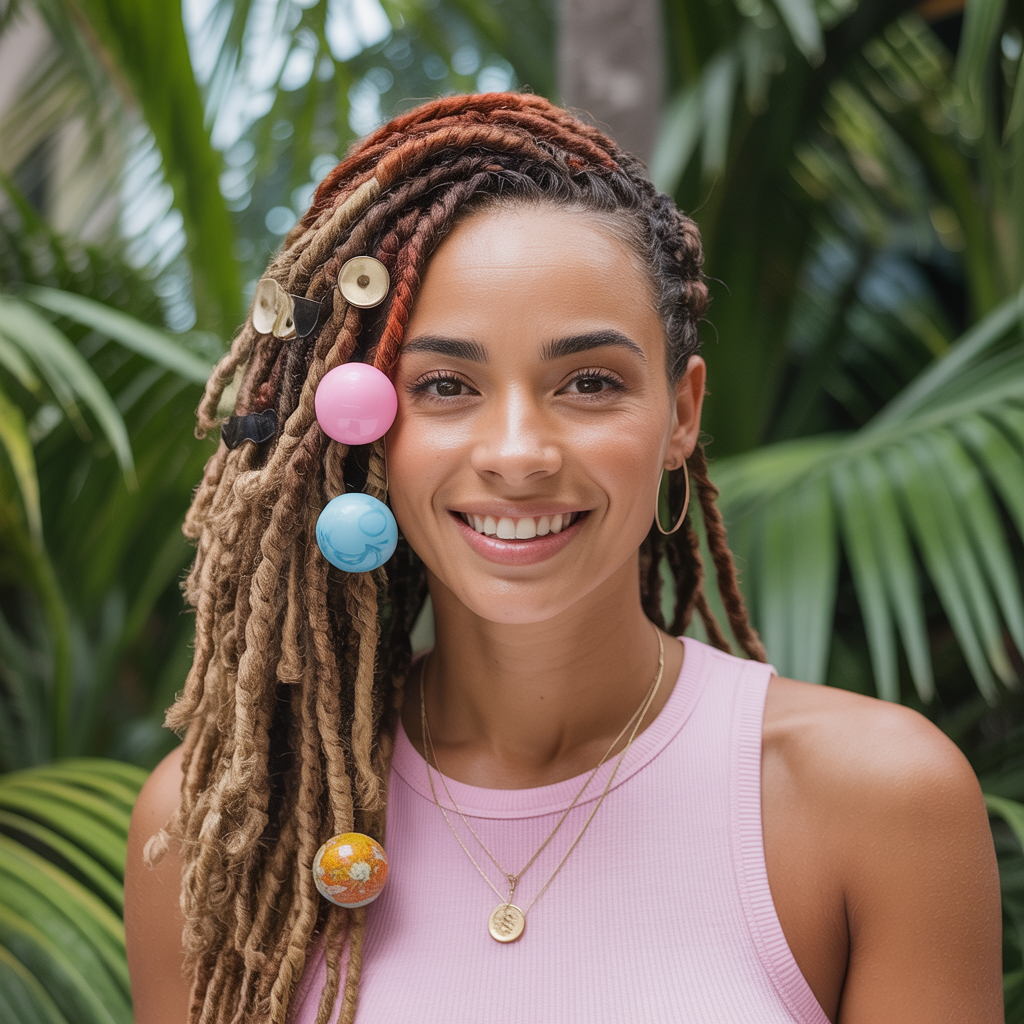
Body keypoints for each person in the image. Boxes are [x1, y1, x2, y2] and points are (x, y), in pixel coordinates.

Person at [125, 93, 1003, 1024]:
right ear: (362, 426)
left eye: (589, 382)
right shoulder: (224, 825)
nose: (518, 453)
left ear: (683, 413)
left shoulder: (877, 799)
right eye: (446, 385)